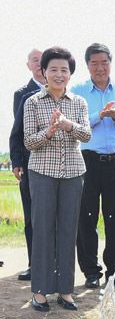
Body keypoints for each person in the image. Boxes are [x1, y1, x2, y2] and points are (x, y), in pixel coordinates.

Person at [23, 46, 92, 311]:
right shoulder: (32, 102)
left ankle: (65, 291)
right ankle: (40, 292)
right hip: (41, 173)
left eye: (64, 70)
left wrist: (68, 125)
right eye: (53, 69)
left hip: (73, 173)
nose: (59, 74)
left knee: (68, 230)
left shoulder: (79, 102)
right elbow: (29, 142)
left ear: (70, 74)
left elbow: (87, 135)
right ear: (44, 72)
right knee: (42, 230)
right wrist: (49, 132)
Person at [71, 43, 115, 290]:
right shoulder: (77, 92)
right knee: (86, 217)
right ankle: (91, 272)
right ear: (87, 65)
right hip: (87, 161)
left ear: (111, 63)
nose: (100, 68)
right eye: (94, 63)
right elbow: (74, 126)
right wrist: (99, 116)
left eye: (104, 62)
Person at [9, 49, 46, 281]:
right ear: (28, 66)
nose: (40, 64)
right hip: (30, 162)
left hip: (56, 164)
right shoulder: (22, 94)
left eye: (43, 60)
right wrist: (17, 162)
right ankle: (34, 263)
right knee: (31, 216)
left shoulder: (61, 90)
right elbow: (18, 130)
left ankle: (53, 263)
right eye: (35, 60)